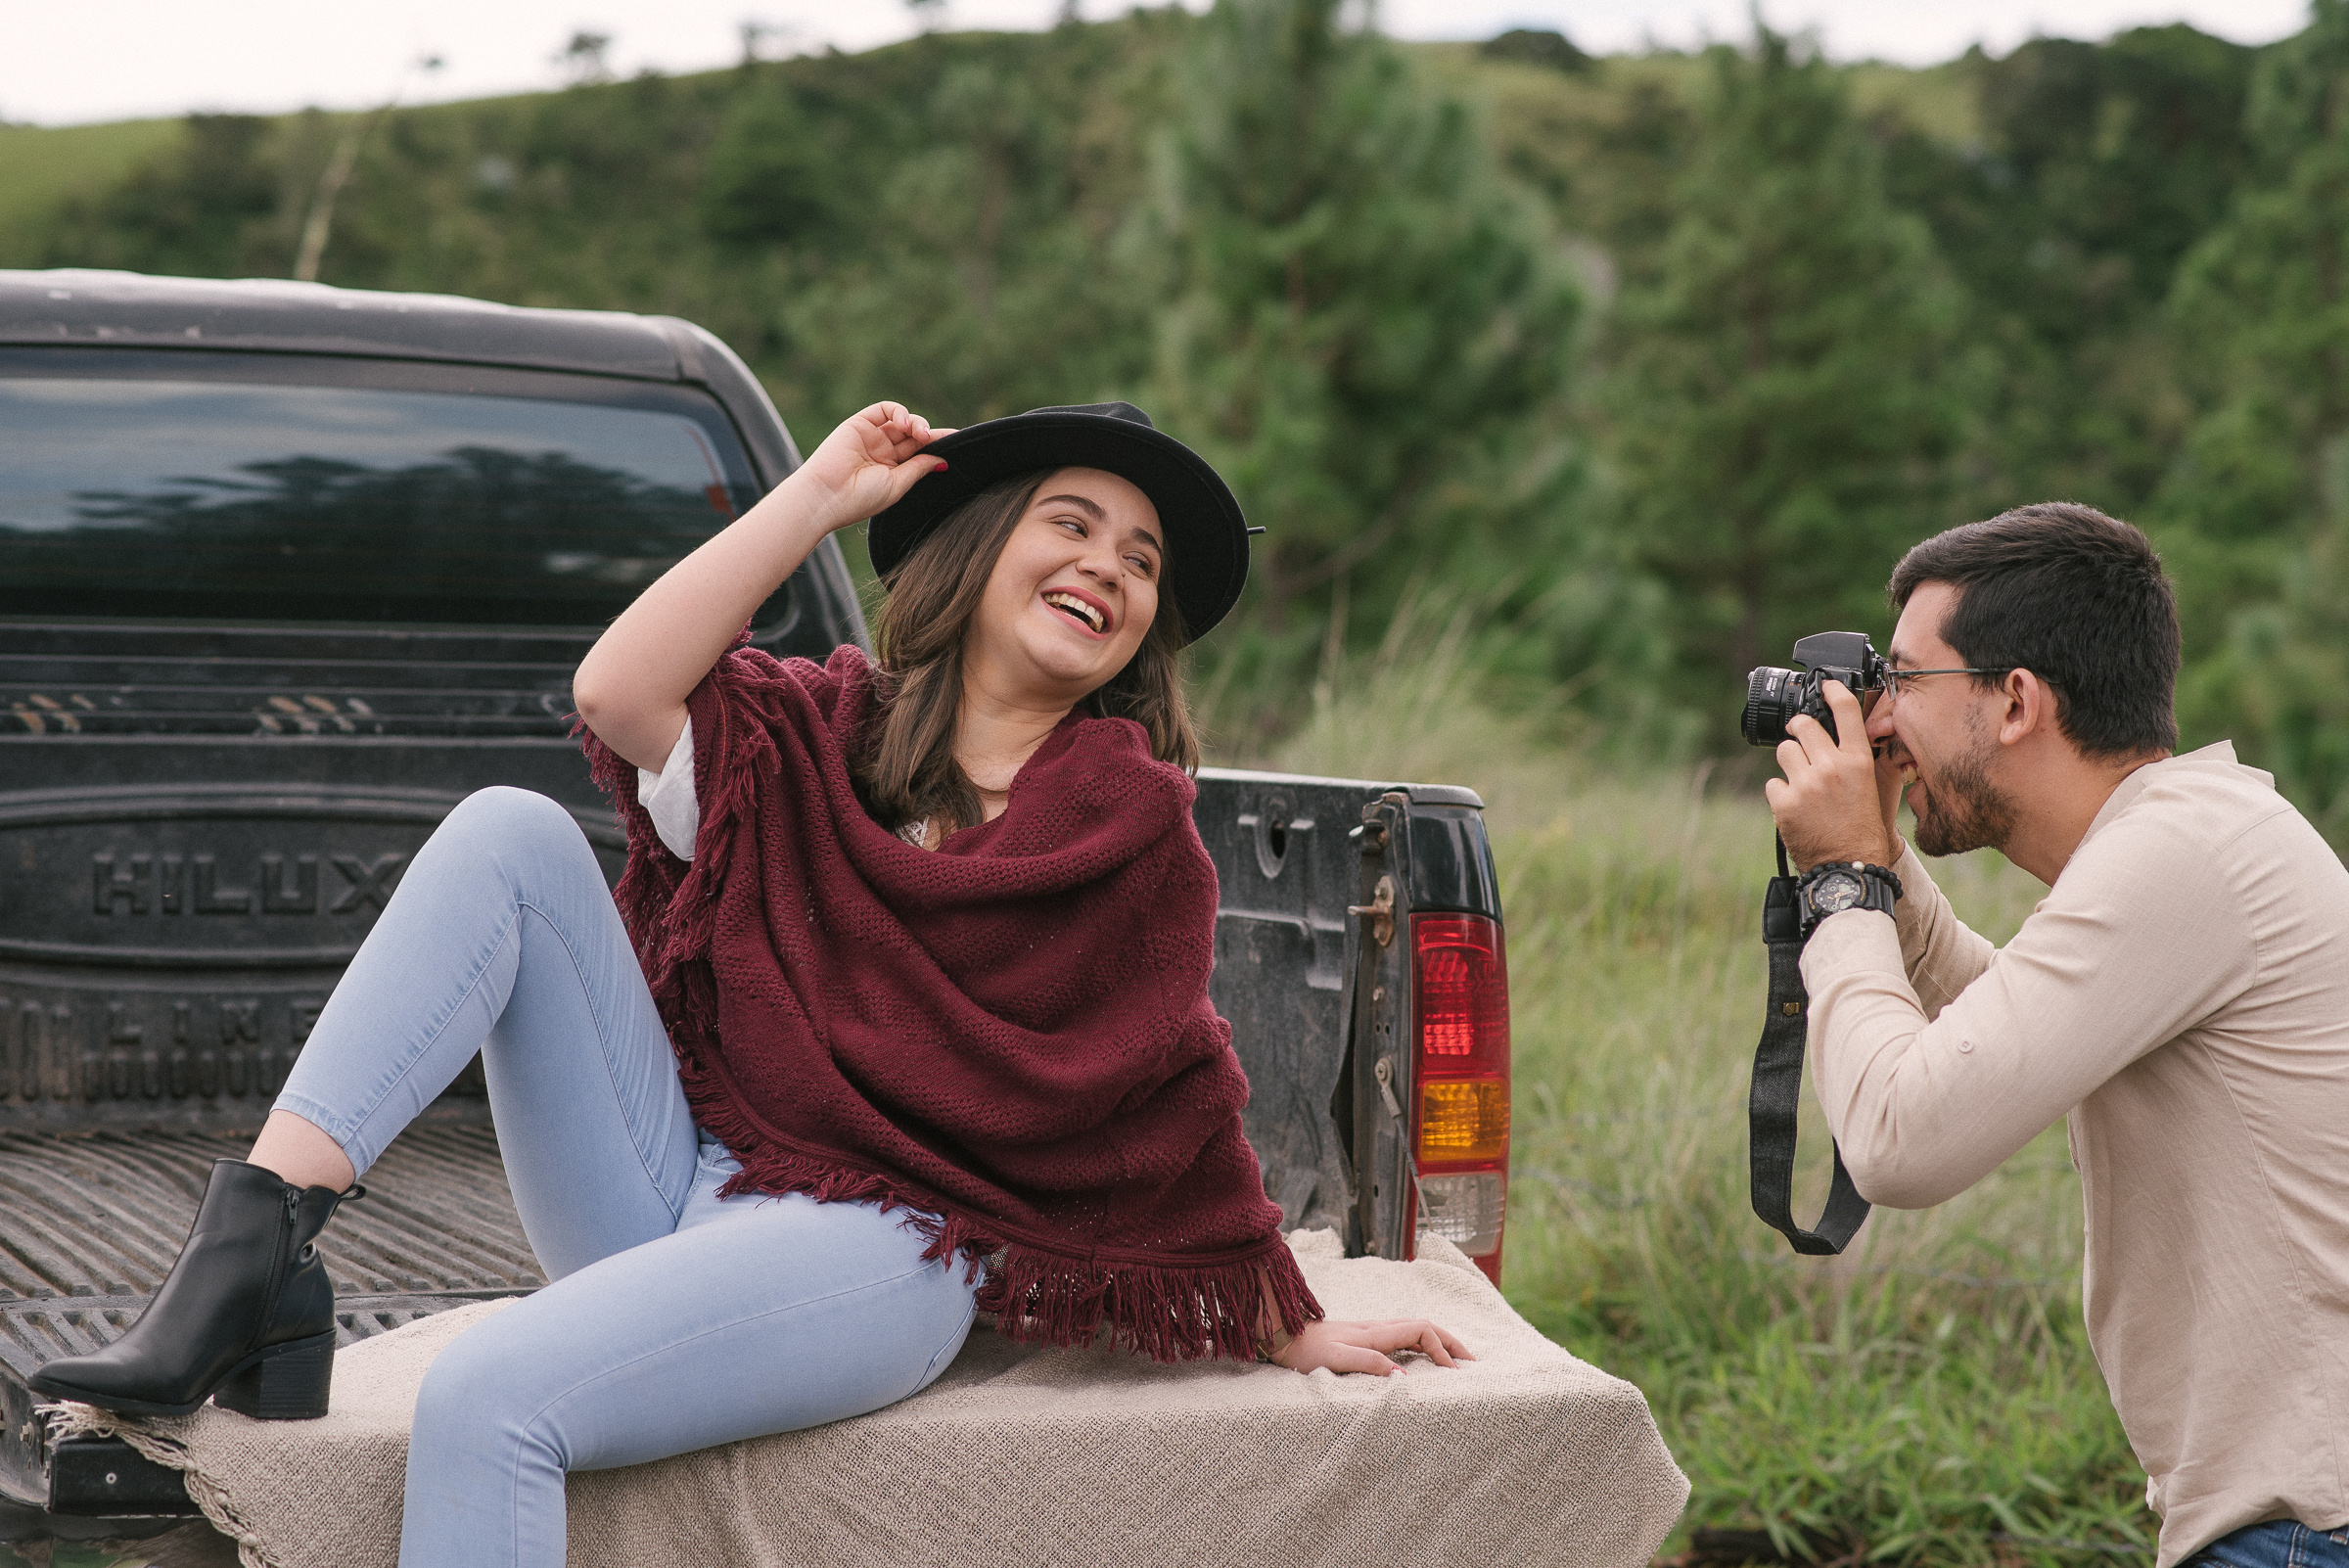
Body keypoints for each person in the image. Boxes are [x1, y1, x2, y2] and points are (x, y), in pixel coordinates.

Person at [31, 399, 1469, 1568]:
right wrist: (821, 492)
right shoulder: (818, 734)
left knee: (490, 1394)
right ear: (980, 550)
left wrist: (1285, 1314)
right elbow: (616, 690)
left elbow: (1174, 1085)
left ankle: (257, 1283)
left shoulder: (1126, 823)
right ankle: (256, 1252)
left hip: (893, 1242)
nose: (1110, 565)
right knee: (512, 833)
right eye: (1073, 523)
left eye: (1143, 560)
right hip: (683, 1186)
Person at [1763, 501, 2349, 1568]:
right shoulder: (2189, 837)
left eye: (1902, 682)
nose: (1879, 720)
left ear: (2018, 700)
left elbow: (1899, 1140)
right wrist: (1881, 859)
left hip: (2305, 1530)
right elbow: (2013, 1024)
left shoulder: (2181, 855)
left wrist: (1843, 880)